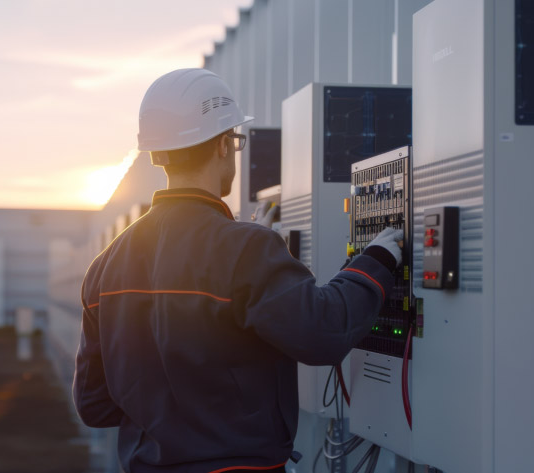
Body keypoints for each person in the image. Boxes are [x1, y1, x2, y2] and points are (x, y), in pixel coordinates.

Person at [73, 68, 403, 473]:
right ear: (223, 147)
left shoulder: (105, 266)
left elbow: (94, 405)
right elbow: (323, 332)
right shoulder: (246, 249)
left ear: (158, 154)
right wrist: (377, 262)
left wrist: (161, 412)